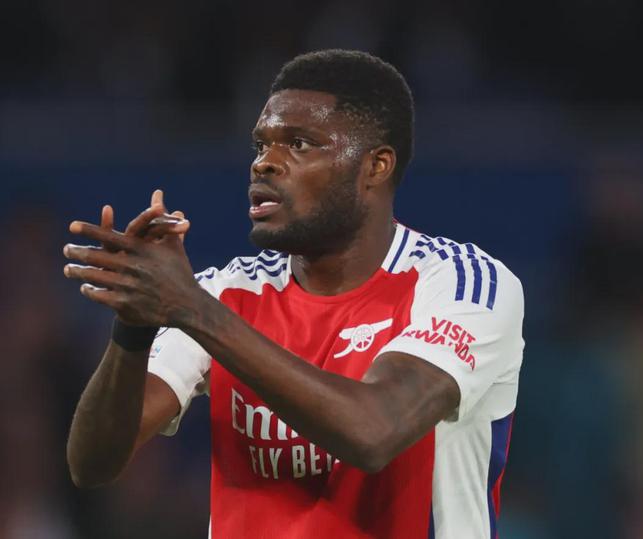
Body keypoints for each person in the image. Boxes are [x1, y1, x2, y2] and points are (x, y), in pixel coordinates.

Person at [63, 49, 524, 539]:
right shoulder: (228, 292)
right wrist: (134, 326)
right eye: (260, 145)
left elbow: (375, 431)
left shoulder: (464, 285)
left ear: (376, 166)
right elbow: (92, 463)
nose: (265, 164)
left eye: (299, 144)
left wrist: (192, 309)